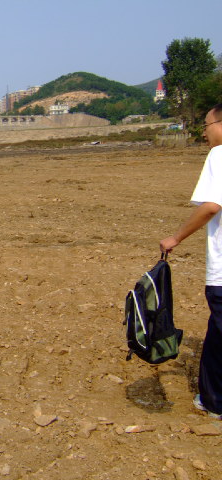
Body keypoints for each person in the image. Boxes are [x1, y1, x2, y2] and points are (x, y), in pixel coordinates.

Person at [160, 103, 222, 419]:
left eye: (207, 125)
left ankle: (214, 403)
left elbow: (211, 206)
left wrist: (176, 237)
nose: (204, 132)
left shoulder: (219, 155)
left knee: (219, 338)